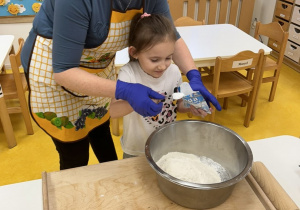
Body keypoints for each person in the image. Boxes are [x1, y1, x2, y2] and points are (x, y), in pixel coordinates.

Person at [21, 0, 221, 169]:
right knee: (75, 153)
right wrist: (126, 91)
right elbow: (64, 71)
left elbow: (171, 37)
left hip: (97, 67)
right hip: (56, 72)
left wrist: (194, 75)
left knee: (99, 126)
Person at [109, 13, 211, 158]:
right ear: (134, 52)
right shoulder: (129, 74)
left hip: (166, 144)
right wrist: (134, 102)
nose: (163, 66)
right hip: (136, 149)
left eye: (168, 58)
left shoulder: (174, 72)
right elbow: (113, 111)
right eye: (155, 59)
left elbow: (177, 104)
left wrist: (190, 105)